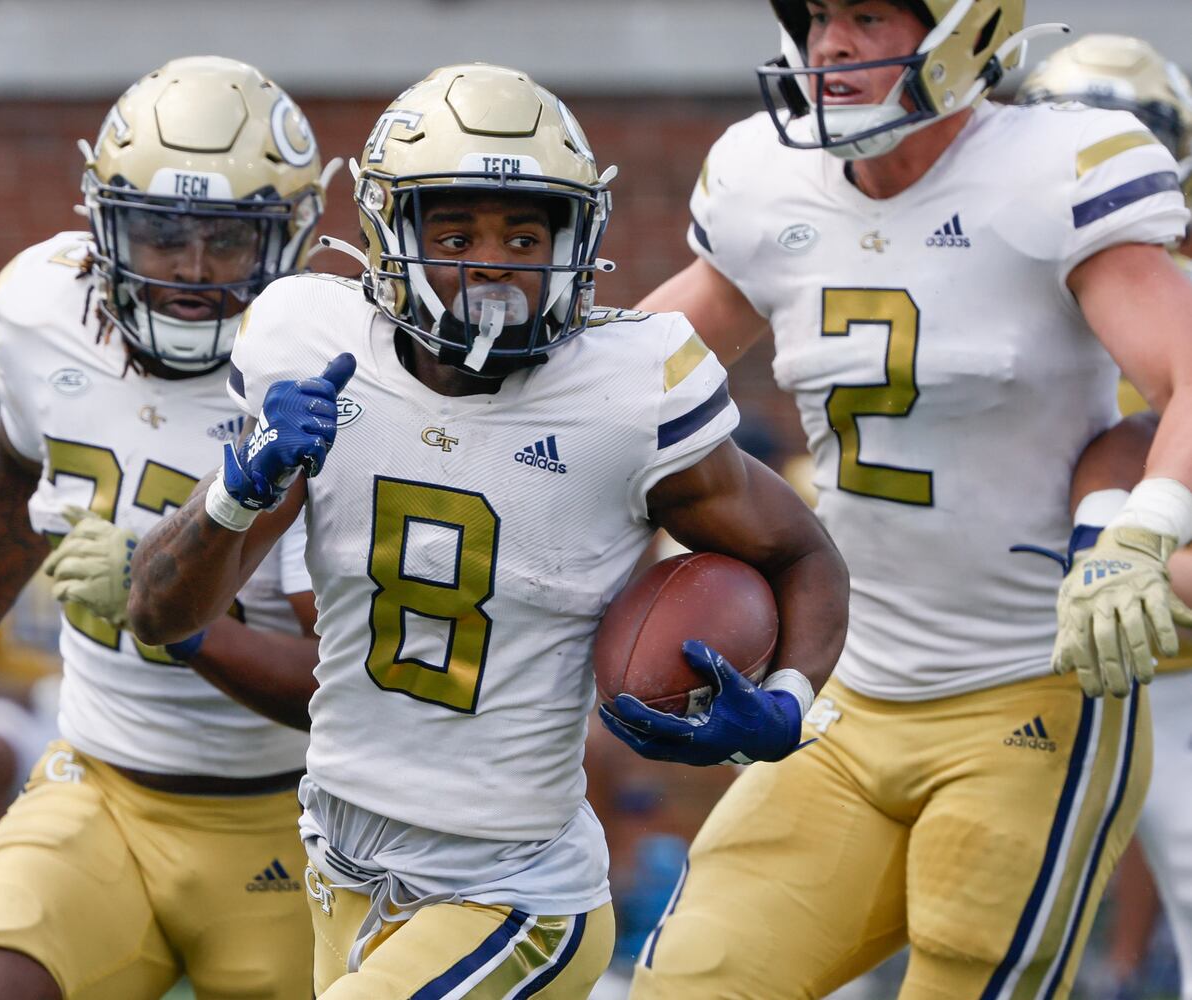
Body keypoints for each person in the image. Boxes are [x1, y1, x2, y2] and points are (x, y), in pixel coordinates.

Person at [123, 63, 849, 999]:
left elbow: (798, 552)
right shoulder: (312, 349)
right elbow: (155, 613)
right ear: (392, 236)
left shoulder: (630, 392)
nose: (494, 261)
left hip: (516, 887)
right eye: (456, 232)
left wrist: (788, 698)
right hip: (340, 857)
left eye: (523, 232)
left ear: (575, 241)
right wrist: (237, 489)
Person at [623, 1, 1192, 997]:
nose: (830, 43)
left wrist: (1141, 527)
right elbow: (629, 382)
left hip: (1029, 691)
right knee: (695, 977)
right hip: (843, 697)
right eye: (818, 16)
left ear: (966, 29)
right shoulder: (767, 180)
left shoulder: (1053, 167)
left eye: (868, 14)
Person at [0, 57, 332, 1000]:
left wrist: (171, 612)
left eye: (227, 238)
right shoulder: (40, 308)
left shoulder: (321, 381)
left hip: (290, 816)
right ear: (101, 220)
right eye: (162, 232)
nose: (192, 268)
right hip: (98, 779)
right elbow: (15, 464)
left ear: (290, 240)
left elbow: (341, 685)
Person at [1018, 34, 1192, 1000]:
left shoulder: (1164, 301)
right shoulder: (981, 267)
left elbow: (1138, 436)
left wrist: (1133, 561)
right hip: (995, 661)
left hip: (1174, 672)